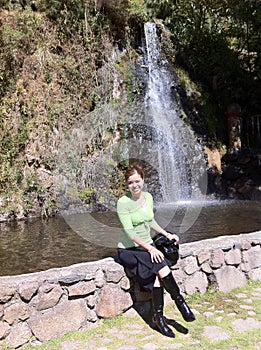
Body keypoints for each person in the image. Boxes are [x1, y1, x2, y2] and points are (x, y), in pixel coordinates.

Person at [117, 165, 195, 338]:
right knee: (162, 267)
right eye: (130, 183)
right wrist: (150, 248)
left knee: (159, 274)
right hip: (130, 249)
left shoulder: (148, 197)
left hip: (146, 246)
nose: (134, 185)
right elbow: (129, 232)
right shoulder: (123, 202)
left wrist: (166, 233)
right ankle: (180, 304)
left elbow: (150, 221)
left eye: (137, 181)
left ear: (143, 180)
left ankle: (159, 317)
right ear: (127, 185)